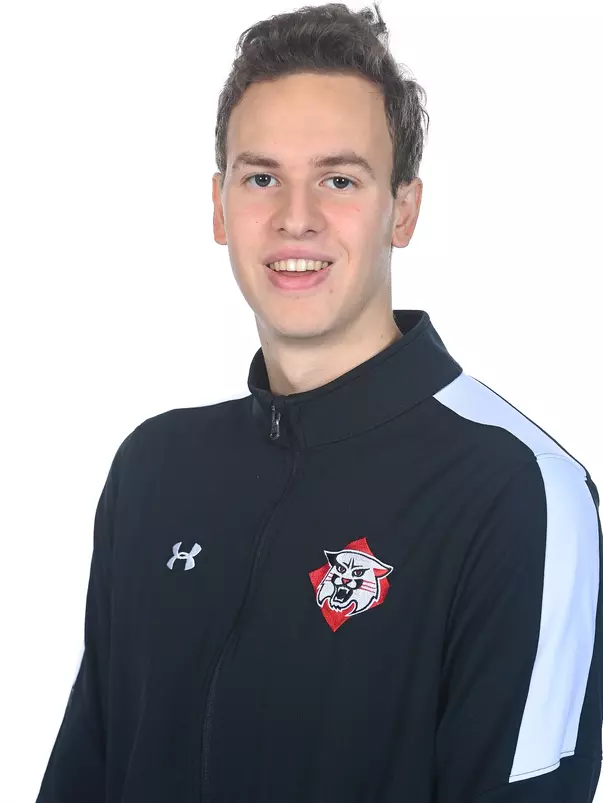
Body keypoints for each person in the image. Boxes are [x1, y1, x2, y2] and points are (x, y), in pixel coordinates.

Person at [36, 3, 602, 802]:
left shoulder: (517, 492)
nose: (294, 218)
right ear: (219, 205)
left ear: (401, 209)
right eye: (261, 177)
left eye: (338, 179)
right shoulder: (154, 468)